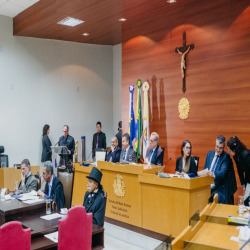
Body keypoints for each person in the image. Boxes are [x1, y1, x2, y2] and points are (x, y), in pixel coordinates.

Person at [204, 135, 237, 204]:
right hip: (207, 187)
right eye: (217, 147)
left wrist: (213, 175)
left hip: (218, 188)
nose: (218, 150)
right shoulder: (209, 154)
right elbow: (205, 169)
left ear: (224, 147)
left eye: (221, 148)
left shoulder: (225, 157)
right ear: (215, 144)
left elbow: (223, 172)